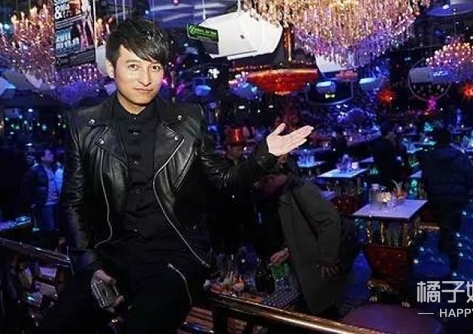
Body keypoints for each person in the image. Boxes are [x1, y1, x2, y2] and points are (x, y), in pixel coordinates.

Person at [37, 19, 313, 334]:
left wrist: (264, 156)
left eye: (154, 67)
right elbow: (72, 203)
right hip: (109, 256)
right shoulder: (84, 124)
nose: (146, 79)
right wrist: (90, 265)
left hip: (175, 256)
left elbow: (224, 180)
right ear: (111, 68)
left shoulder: (188, 120)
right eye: (133, 66)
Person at [255, 163, 348, 319]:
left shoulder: (301, 190)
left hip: (317, 266)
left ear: (270, 179)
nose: (262, 191)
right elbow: (299, 228)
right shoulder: (286, 193)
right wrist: (287, 250)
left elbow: (330, 220)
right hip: (307, 267)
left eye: (262, 186)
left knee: (326, 312)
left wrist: (328, 257)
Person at [419, 128, 473, 276]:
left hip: (436, 198)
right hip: (458, 198)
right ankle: (451, 252)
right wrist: (465, 191)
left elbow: (424, 180)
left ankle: (446, 249)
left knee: (445, 224)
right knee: (450, 224)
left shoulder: (428, 157)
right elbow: (471, 177)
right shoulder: (460, 157)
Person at [371, 122, 410, 190]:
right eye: (393, 131)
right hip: (392, 176)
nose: (395, 133)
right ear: (389, 133)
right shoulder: (387, 145)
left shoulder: (377, 143)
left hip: (382, 175)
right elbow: (394, 161)